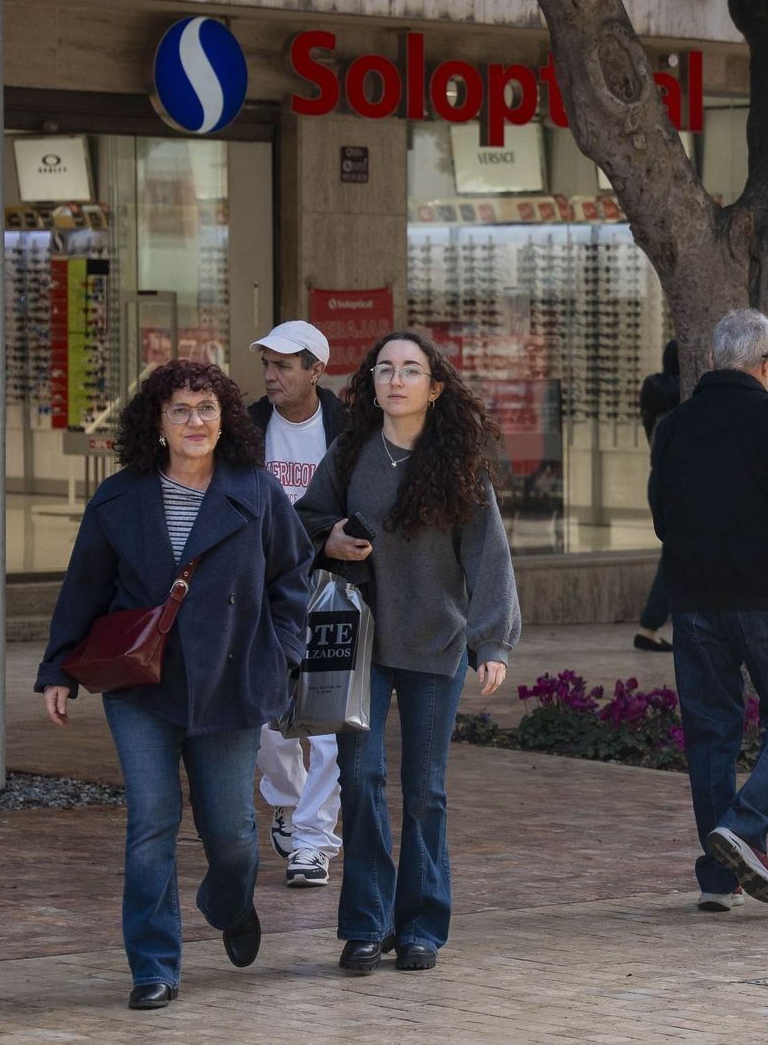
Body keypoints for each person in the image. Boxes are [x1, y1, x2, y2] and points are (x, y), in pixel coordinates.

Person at [35, 361, 311, 1010]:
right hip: (143, 686)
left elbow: (292, 578)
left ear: (225, 420)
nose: (195, 422)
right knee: (151, 821)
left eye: (207, 409)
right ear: (157, 423)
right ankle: (154, 965)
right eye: (181, 410)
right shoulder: (118, 498)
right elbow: (85, 588)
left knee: (235, 834)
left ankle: (228, 899)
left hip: (231, 680)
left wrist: (286, 653)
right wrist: (57, 670)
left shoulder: (257, 491)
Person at [297, 331, 521, 974]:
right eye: (385, 369)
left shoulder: (459, 463)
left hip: (436, 641)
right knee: (361, 780)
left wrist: (492, 641)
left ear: (435, 386)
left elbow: (489, 555)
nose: (396, 380)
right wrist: (332, 537)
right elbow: (306, 519)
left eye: (411, 370)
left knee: (425, 791)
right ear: (371, 383)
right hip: (361, 642)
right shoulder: (349, 452)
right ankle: (366, 924)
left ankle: (421, 924)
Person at [649, 308, 768, 912]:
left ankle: (717, 879)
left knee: (709, 734)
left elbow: (662, 519)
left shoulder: (674, 427)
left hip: (695, 601)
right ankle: (747, 825)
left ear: (710, 361)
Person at [247, 320, 346, 886]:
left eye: (284, 365)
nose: (271, 375)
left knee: (329, 720)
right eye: (267, 364)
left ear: (316, 370)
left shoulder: (349, 431)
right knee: (266, 714)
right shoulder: (244, 428)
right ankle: (285, 798)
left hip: (331, 588)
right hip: (262, 590)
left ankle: (314, 840)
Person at [634, 340, 681, 653]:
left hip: (660, 482)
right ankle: (649, 626)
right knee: (676, 555)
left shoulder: (654, 393)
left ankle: (650, 626)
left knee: (675, 553)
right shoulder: (679, 397)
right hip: (675, 483)